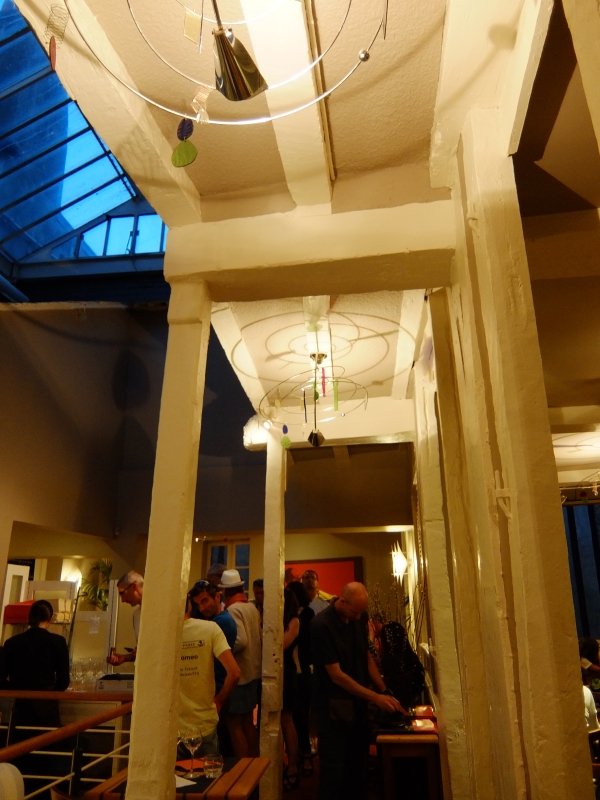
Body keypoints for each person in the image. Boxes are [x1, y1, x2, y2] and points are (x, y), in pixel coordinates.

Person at [311, 582, 405, 800]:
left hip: (358, 708)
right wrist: (375, 696)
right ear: (342, 601)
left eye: (361, 612)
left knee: (357, 770)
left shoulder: (359, 618)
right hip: (333, 710)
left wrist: (385, 690)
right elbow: (336, 675)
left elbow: (366, 657)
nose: (358, 616)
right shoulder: (321, 625)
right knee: (334, 774)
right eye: (355, 612)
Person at [178, 590, 240, 757]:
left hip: (171, 728)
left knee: (175, 775)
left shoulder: (162, 636)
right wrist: (218, 701)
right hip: (204, 723)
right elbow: (234, 673)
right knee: (208, 773)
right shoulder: (210, 629)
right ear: (189, 605)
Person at [219, 569, 262, 758]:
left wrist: (222, 650)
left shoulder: (233, 610)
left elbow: (240, 641)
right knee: (248, 723)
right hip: (253, 673)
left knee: (234, 724)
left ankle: (242, 767)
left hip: (240, 676)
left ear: (224, 591)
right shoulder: (251, 607)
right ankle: (254, 766)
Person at [287, 580, 315, 777]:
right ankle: (299, 754)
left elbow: (301, 641)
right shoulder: (294, 616)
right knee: (296, 715)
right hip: (296, 668)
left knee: (301, 715)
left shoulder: (305, 614)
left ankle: (305, 755)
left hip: (302, 669)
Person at [189, 581, 237, 693]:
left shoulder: (222, 622)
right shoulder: (216, 620)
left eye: (205, 601)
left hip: (218, 687)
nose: (201, 608)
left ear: (217, 597)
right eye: (197, 605)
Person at [282, 588, 301, 791]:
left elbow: (282, 645)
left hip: (287, 672)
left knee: (287, 719)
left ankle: (293, 766)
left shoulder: (294, 621)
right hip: (274, 671)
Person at [107, 571, 144, 666]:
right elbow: (142, 651)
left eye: (122, 593)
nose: (122, 600)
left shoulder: (158, 610)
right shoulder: (136, 615)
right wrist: (125, 658)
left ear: (134, 586)